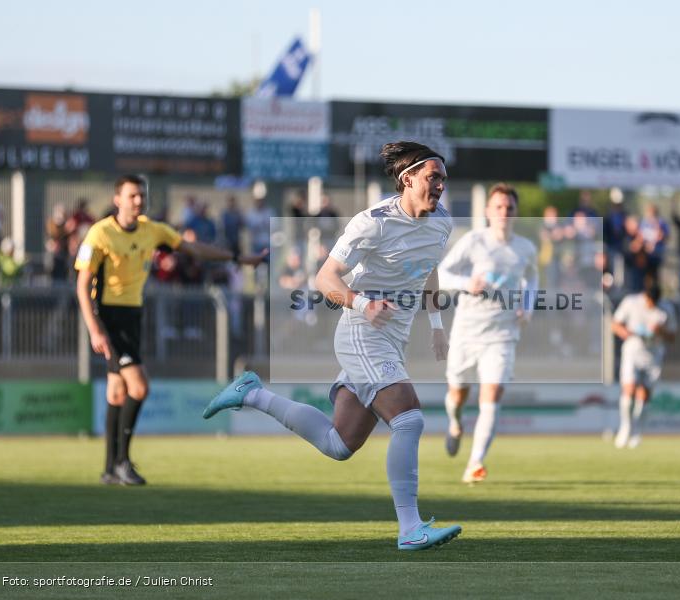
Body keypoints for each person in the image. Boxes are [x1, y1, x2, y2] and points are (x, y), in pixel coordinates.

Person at [203, 141, 461, 551]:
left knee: (338, 444)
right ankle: (410, 527)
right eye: (434, 177)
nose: (441, 186)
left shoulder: (442, 222)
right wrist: (362, 302)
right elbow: (325, 279)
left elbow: (426, 270)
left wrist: (435, 323)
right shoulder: (371, 222)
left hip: (392, 341)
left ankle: (251, 393)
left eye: (444, 179)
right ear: (407, 179)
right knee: (409, 419)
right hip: (361, 331)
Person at [75, 175, 266, 486]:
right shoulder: (100, 234)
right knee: (139, 388)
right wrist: (95, 330)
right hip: (108, 318)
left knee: (117, 391)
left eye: (142, 195)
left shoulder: (153, 230)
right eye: (132, 196)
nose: (139, 201)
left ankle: (110, 469)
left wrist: (237, 258)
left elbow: (194, 249)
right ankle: (122, 462)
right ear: (117, 199)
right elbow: (82, 287)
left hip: (132, 316)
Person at [438, 183, 538, 483]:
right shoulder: (473, 241)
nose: (504, 213)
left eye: (509, 208)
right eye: (498, 207)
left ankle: (475, 464)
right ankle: (455, 424)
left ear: (516, 213)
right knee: (457, 394)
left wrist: (528, 307)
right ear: (487, 211)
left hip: (503, 334)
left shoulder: (525, 248)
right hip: (467, 332)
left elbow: (532, 279)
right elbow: (441, 274)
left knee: (491, 394)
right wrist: (467, 283)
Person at [610, 279, 677, 449]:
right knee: (629, 389)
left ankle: (637, 431)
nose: (651, 305)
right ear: (645, 296)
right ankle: (625, 427)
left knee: (644, 395)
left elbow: (673, 337)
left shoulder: (666, 309)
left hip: (653, 355)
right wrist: (626, 333)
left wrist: (660, 331)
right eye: (649, 301)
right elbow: (615, 324)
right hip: (633, 351)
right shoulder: (631, 302)